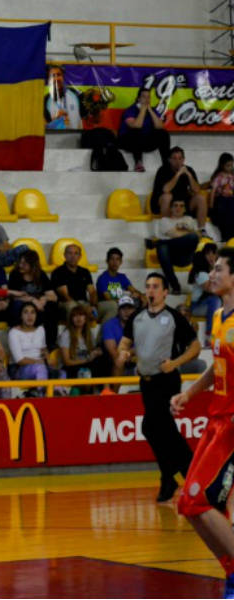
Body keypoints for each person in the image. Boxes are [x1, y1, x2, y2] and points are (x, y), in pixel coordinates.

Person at [170, 247, 234, 597]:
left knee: (199, 500)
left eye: (220, 269)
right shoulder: (220, 315)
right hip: (216, 419)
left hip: (232, 426)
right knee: (187, 505)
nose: (212, 274)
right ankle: (231, 575)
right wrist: (189, 393)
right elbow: (216, 370)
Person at [117, 272, 200, 502]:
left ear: (165, 292)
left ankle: (182, 474)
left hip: (167, 380)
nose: (151, 291)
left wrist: (175, 363)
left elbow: (195, 346)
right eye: (148, 286)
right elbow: (125, 342)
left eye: (155, 287)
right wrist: (123, 352)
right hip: (146, 381)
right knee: (160, 429)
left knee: (153, 426)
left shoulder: (174, 317)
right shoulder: (138, 317)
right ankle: (180, 474)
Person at [8, 303, 66, 397]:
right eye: (26, 312)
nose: (30, 316)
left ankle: (56, 395)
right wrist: (39, 362)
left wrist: (48, 358)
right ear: (21, 316)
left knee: (61, 373)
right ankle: (42, 396)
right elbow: (20, 360)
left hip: (41, 364)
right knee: (40, 368)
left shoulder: (40, 329)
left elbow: (43, 349)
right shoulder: (14, 333)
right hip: (20, 369)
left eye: (32, 312)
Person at [7, 250, 59, 350]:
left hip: (37, 307)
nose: (21, 265)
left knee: (52, 306)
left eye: (24, 264)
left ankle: (50, 343)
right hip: (21, 305)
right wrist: (33, 300)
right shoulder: (15, 274)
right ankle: (18, 340)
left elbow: (54, 296)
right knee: (17, 305)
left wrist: (44, 298)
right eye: (20, 262)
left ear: (33, 265)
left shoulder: (41, 274)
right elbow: (13, 296)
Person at [150, 197, 200, 294]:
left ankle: (158, 243)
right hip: (170, 255)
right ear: (171, 208)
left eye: (181, 206)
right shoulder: (164, 221)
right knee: (162, 248)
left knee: (192, 237)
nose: (178, 208)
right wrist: (187, 231)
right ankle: (175, 286)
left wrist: (184, 231)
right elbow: (173, 234)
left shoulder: (189, 219)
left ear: (185, 209)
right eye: (175, 206)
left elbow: (197, 236)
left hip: (186, 255)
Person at [151, 146, 207, 230]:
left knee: (200, 198)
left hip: (182, 203)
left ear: (184, 159)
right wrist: (178, 174)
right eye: (174, 158)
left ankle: (202, 230)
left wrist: (189, 175)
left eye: (180, 158)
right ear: (169, 160)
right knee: (167, 196)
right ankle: (168, 230)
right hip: (163, 204)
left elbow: (197, 190)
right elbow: (166, 190)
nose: (178, 161)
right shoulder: (163, 170)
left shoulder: (188, 170)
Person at [117, 89, 170, 173]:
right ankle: (138, 163)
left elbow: (160, 126)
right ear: (138, 99)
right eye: (144, 97)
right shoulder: (130, 110)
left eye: (148, 97)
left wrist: (150, 111)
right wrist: (142, 110)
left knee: (163, 134)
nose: (146, 99)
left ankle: (167, 163)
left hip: (144, 142)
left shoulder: (152, 110)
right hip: (129, 142)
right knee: (136, 131)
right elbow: (136, 125)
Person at [58, 305, 108, 383]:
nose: (78, 318)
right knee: (86, 372)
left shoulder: (88, 334)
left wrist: (97, 352)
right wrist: (87, 360)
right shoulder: (66, 335)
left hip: (86, 366)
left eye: (81, 315)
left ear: (85, 318)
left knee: (103, 361)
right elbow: (67, 362)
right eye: (75, 316)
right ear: (71, 319)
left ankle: (106, 390)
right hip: (72, 368)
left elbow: (92, 353)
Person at [95, 247, 145, 322]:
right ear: (107, 261)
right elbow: (108, 298)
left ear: (121, 262)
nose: (115, 262)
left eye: (117, 259)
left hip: (120, 305)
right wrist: (126, 300)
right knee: (114, 305)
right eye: (112, 259)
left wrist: (141, 296)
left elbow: (133, 290)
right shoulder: (102, 278)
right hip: (105, 305)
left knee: (141, 299)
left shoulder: (122, 277)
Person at [52, 244, 98, 319]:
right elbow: (65, 296)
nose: (73, 256)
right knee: (72, 307)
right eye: (70, 253)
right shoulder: (58, 272)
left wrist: (93, 305)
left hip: (84, 303)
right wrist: (83, 308)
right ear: (65, 255)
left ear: (80, 256)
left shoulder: (85, 272)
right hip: (66, 304)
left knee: (110, 306)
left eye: (76, 253)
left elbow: (92, 292)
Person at [102, 296, 139, 386]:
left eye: (129, 308)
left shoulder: (139, 324)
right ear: (118, 311)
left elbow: (144, 346)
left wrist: (130, 353)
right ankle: (115, 395)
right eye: (123, 308)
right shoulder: (109, 325)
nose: (127, 312)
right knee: (119, 361)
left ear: (134, 310)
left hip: (133, 357)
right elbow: (113, 352)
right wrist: (128, 354)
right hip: (115, 358)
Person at [190, 242, 221, 344]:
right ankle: (210, 335)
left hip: (209, 303)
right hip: (197, 307)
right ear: (204, 255)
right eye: (208, 254)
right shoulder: (200, 272)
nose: (211, 256)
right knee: (215, 300)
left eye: (213, 253)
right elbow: (211, 289)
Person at [43, 64, 82, 130]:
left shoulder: (76, 94)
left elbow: (86, 116)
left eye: (59, 75)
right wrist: (56, 120)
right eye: (53, 76)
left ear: (63, 77)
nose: (56, 78)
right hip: (54, 138)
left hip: (76, 137)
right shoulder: (45, 100)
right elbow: (44, 126)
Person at [210, 152, 234, 243]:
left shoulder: (232, 176)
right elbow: (213, 192)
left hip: (231, 199)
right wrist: (211, 207)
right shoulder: (219, 177)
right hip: (221, 199)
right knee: (224, 209)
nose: (230, 168)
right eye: (228, 165)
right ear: (222, 165)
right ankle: (226, 236)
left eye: (231, 165)